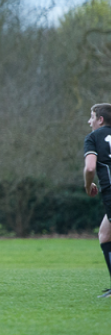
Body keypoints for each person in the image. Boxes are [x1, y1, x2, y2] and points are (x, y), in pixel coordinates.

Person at [83, 103, 111, 299]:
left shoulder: (93, 137)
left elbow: (90, 168)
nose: (89, 121)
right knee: (105, 234)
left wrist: (88, 185)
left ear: (100, 119)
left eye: (92, 117)